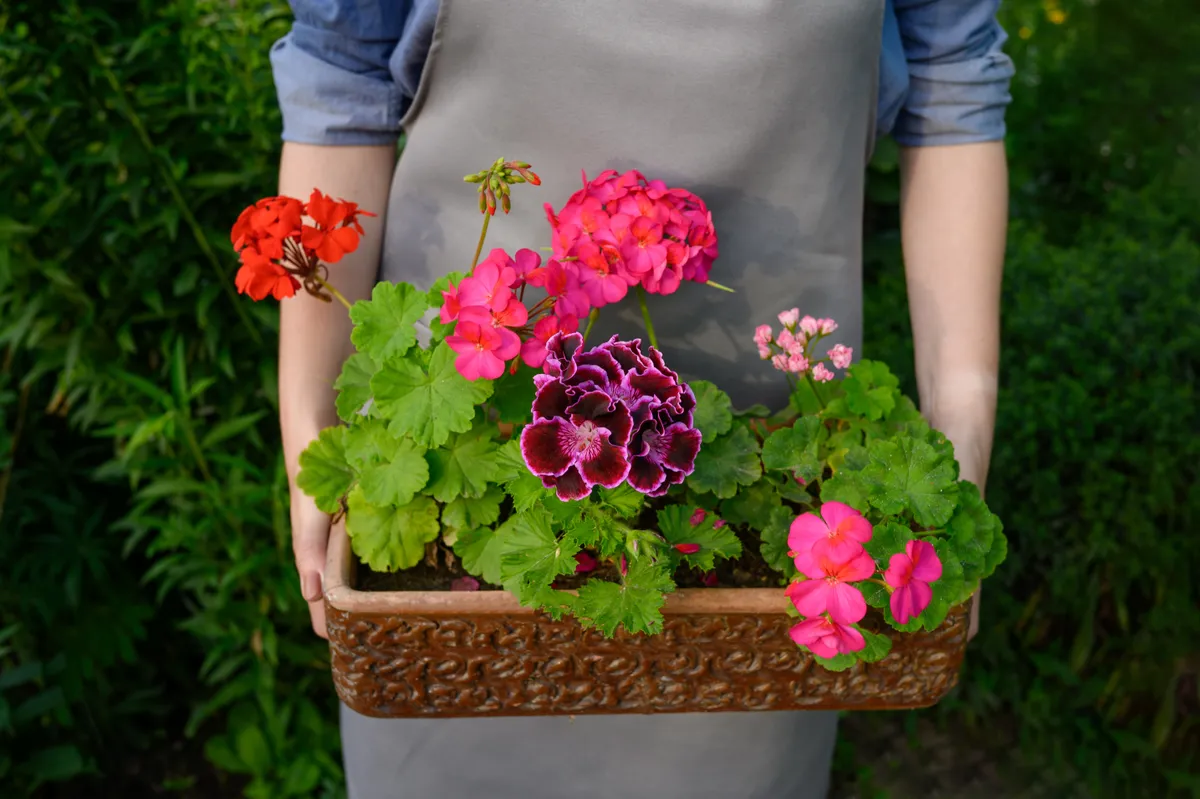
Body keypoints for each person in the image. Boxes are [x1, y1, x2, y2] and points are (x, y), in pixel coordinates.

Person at [269, 1, 1013, 796]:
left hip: (770, 500)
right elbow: (342, 76)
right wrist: (310, 425)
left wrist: (962, 424)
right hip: (473, 461)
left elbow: (952, 85)